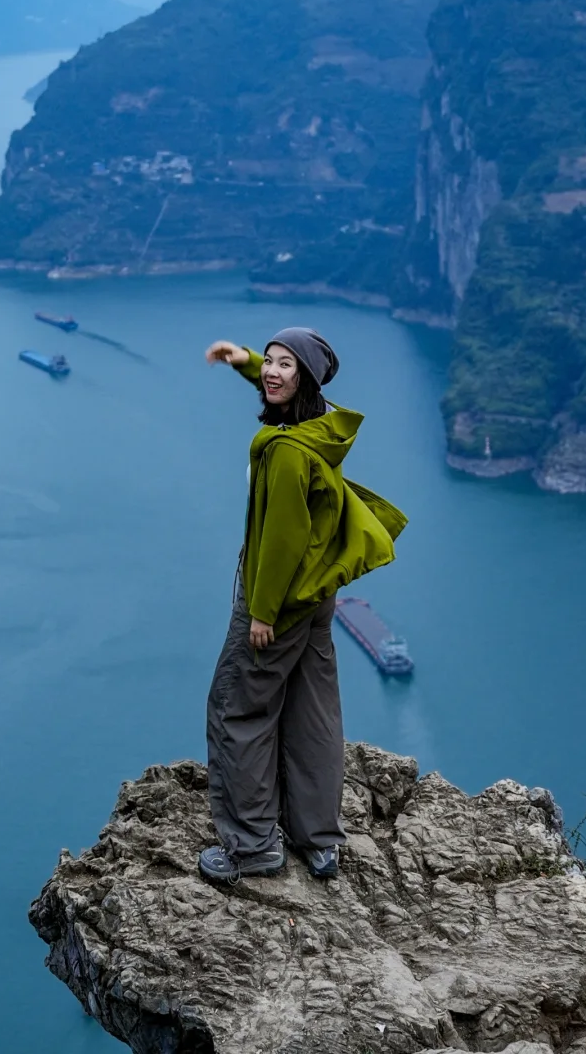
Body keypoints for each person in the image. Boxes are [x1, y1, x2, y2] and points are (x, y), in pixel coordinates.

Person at [198, 327, 406, 885]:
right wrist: (243, 360)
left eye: (285, 365)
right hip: (318, 595)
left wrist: (262, 612)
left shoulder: (287, 453)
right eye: (268, 361)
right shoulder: (321, 429)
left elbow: (285, 538)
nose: (271, 372)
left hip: (279, 596)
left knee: (238, 709)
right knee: (313, 710)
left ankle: (252, 847)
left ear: (305, 379)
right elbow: (283, 396)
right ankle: (318, 841)